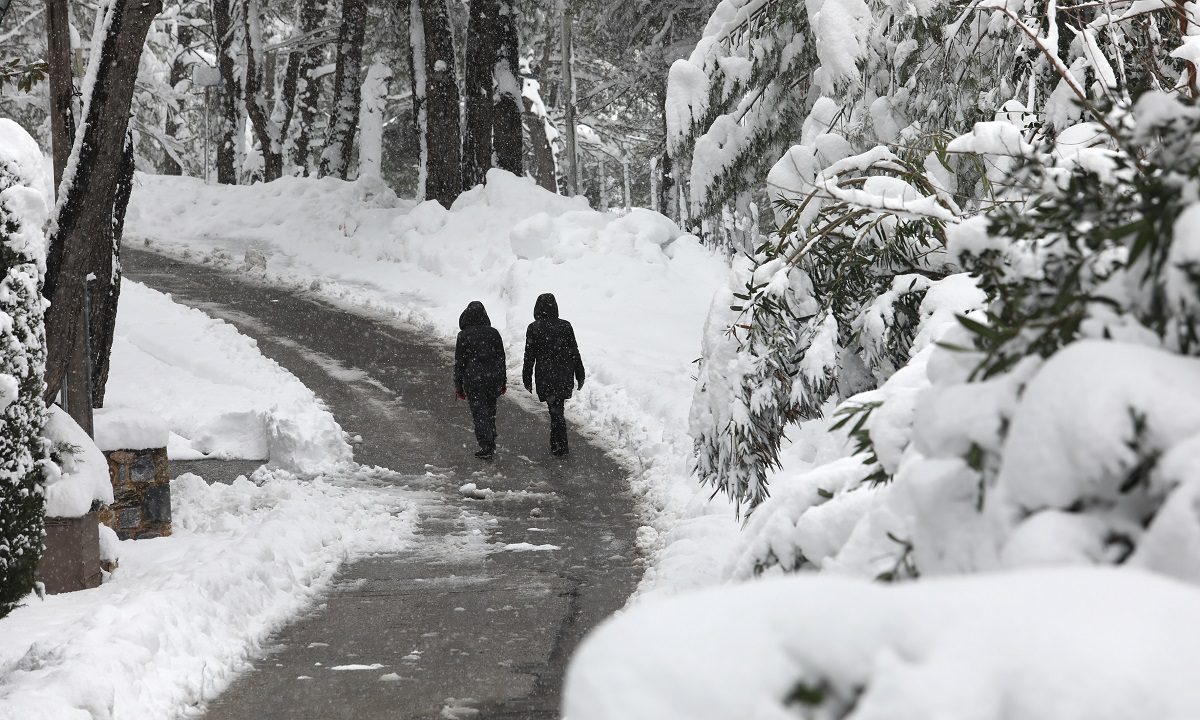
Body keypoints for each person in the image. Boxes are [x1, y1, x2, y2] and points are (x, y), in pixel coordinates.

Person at [522, 293, 585, 456]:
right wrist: (580, 372)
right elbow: (574, 352)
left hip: (546, 374)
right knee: (557, 408)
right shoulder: (565, 326)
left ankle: (559, 444)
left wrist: (527, 376)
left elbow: (529, 356)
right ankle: (559, 443)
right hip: (564, 373)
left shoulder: (534, 328)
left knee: (555, 409)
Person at [454, 301, 506, 459]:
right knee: (490, 409)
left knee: (479, 412)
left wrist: (459, 386)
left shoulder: (463, 335)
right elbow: (501, 359)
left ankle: (486, 443)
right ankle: (491, 435)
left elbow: (460, 363)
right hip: (493, 378)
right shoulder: (494, 333)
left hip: (473, 379)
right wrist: (503, 381)